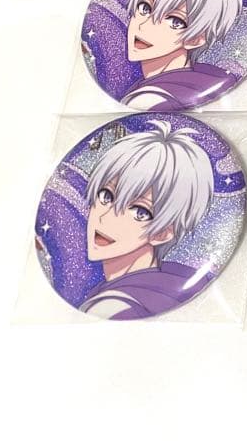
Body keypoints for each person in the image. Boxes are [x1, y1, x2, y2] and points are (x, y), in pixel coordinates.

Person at [80, 120, 214, 319]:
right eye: (106, 196)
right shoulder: (175, 279)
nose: (105, 218)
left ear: (163, 233)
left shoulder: (116, 306)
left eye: (139, 211)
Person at [121, 0, 243, 111]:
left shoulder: (150, 99)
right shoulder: (203, 78)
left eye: (174, 21)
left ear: (196, 38)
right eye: (145, 8)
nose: (144, 26)